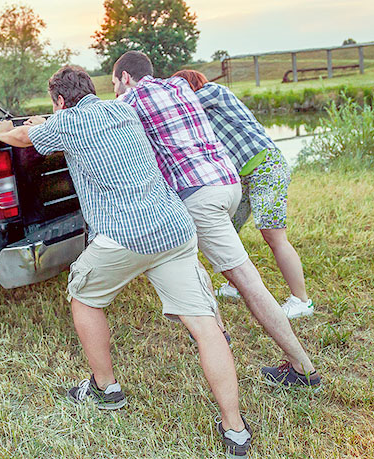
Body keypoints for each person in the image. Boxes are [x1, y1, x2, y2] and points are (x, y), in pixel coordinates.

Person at [0, 65, 252, 457]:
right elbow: (69, 124)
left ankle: (105, 387)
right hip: (174, 227)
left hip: (125, 234)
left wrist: (0, 128)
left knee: (84, 298)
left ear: (60, 101)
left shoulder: (68, 124)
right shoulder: (122, 109)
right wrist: (53, 119)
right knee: (204, 326)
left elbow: (21, 137)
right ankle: (235, 429)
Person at [112, 51, 319, 389]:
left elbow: (98, 121)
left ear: (124, 77)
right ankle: (219, 334)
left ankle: (302, 368)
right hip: (228, 183)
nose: (116, 91)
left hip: (199, 195)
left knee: (245, 279)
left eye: (115, 84)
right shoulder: (180, 87)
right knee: (187, 256)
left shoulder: (131, 99)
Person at [175, 69, 314, 320]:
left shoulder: (213, 93)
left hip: (265, 166)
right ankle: (235, 285)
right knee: (227, 229)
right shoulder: (199, 114)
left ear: (189, 85)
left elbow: (180, 106)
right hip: (242, 176)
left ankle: (301, 300)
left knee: (273, 235)